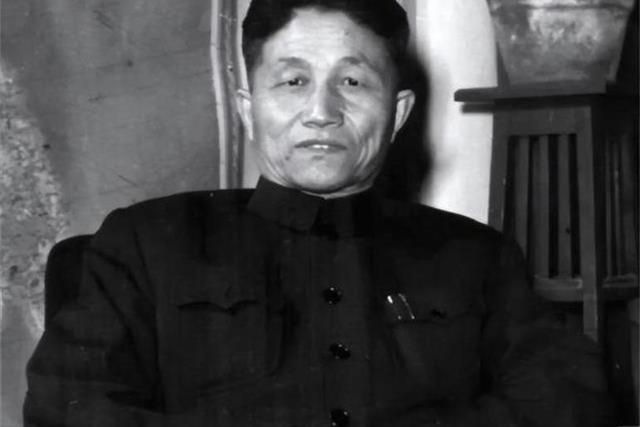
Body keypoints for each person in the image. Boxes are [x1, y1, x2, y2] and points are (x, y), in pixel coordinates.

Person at [24, 0, 614, 426]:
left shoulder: (475, 256)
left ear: (398, 113)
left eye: (353, 81)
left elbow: (570, 397)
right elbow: (70, 407)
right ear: (248, 109)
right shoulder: (147, 243)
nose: (321, 111)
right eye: (293, 81)